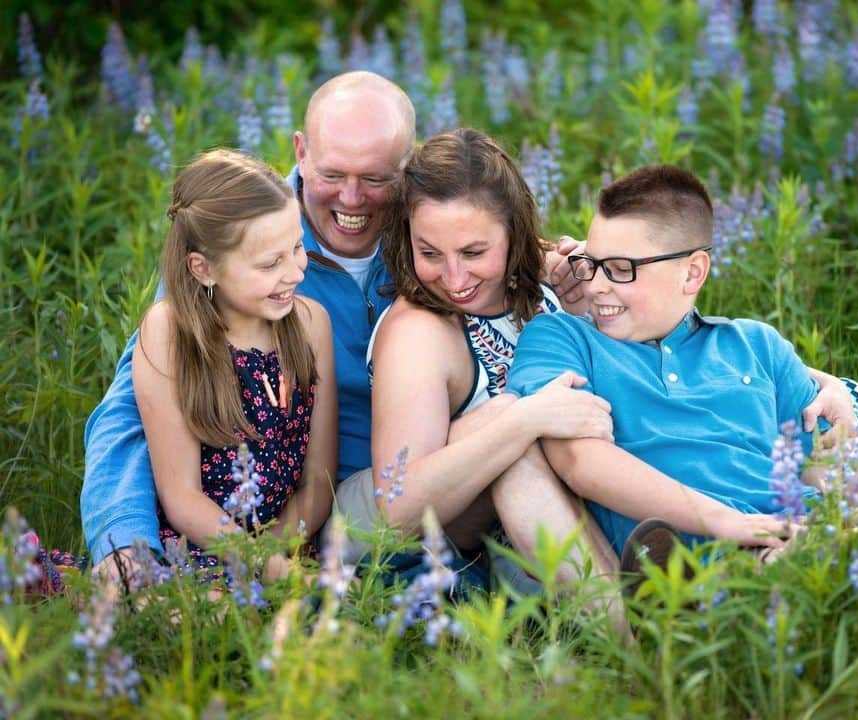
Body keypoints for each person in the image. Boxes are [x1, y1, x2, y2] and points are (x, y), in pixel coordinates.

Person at [81, 71, 582, 580]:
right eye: (333, 174)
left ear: (407, 169)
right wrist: (125, 542)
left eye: (375, 179)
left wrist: (571, 269)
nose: (351, 199)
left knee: (521, 429)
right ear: (300, 151)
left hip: (430, 478)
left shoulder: (428, 235)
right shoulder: (243, 239)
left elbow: (492, 246)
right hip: (342, 509)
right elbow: (130, 413)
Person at [505, 164, 858, 567]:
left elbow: (818, 487)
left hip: (809, 531)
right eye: (594, 264)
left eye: (622, 268)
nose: (597, 286)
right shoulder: (561, 339)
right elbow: (581, 462)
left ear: (692, 273)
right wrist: (732, 524)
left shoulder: (757, 346)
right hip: (723, 554)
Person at [345, 127, 620, 588]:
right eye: (428, 252)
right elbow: (399, 508)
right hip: (382, 530)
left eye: (474, 252)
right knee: (508, 427)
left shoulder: (546, 283)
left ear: (513, 233)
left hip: (515, 512)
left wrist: (592, 298)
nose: (453, 278)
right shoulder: (419, 331)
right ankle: (624, 635)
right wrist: (523, 421)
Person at [132, 149, 335, 576]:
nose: (296, 272)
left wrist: (275, 557)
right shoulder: (171, 332)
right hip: (196, 545)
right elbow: (180, 496)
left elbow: (319, 480)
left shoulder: (311, 324)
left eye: (296, 247)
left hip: (289, 540)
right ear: (204, 269)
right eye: (269, 263)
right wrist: (258, 561)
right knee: (210, 616)